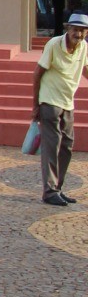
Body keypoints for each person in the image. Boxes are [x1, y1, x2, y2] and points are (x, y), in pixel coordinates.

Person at [34, 11, 88, 206]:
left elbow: (86, 71)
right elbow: (37, 73)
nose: (79, 35)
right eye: (76, 30)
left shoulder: (83, 47)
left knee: (67, 146)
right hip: (49, 101)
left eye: (83, 31)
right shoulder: (54, 44)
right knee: (52, 145)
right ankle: (49, 191)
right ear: (68, 29)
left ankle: (58, 188)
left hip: (68, 103)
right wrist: (36, 105)